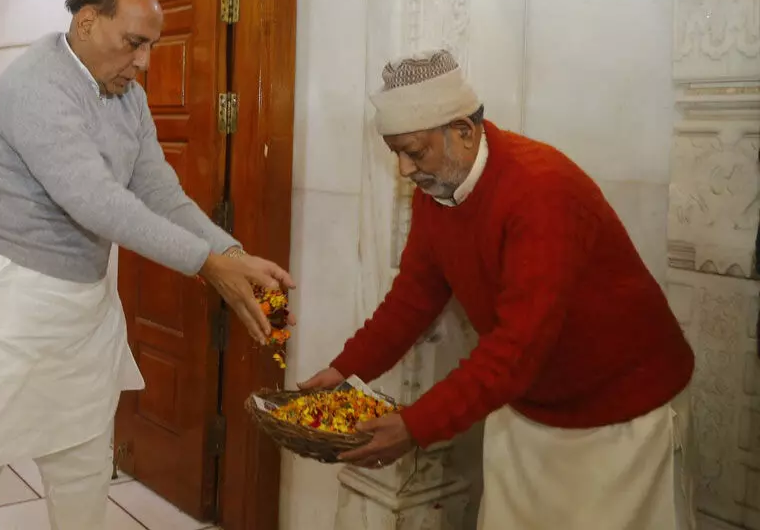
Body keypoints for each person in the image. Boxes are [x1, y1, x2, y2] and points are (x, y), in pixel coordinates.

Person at [0, 0, 296, 530]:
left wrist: (229, 252)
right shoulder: (34, 85)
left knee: (83, 475)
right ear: (87, 23)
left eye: (151, 48)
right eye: (133, 43)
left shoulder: (128, 98)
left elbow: (158, 192)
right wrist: (207, 265)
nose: (143, 63)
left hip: (79, 314)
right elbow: (96, 202)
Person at [298, 49, 696, 530]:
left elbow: (518, 346)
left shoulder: (540, 190)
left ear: (464, 132)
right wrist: (345, 368)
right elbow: (413, 298)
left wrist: (415, 426)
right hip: (530, 410)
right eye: (396, 154)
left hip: (619, 415)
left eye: (414, 152)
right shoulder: (437, 189)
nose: (404, 170)